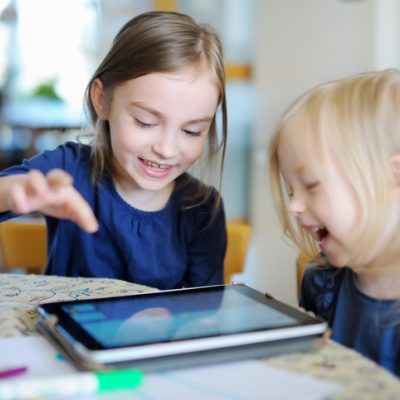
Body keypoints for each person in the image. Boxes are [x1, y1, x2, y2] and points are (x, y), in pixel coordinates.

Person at [0, 11, 228, 290]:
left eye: (192, 131)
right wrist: (13, 190)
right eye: (146, 122)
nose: (167, 149)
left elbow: (203, 313)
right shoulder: (68, 169)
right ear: (102, 99)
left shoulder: (204, 210)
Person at [268, 69, 400, 376]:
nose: (294, 206)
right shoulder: (319, 282)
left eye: (311, 185)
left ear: (394, 179)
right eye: (290, 190)